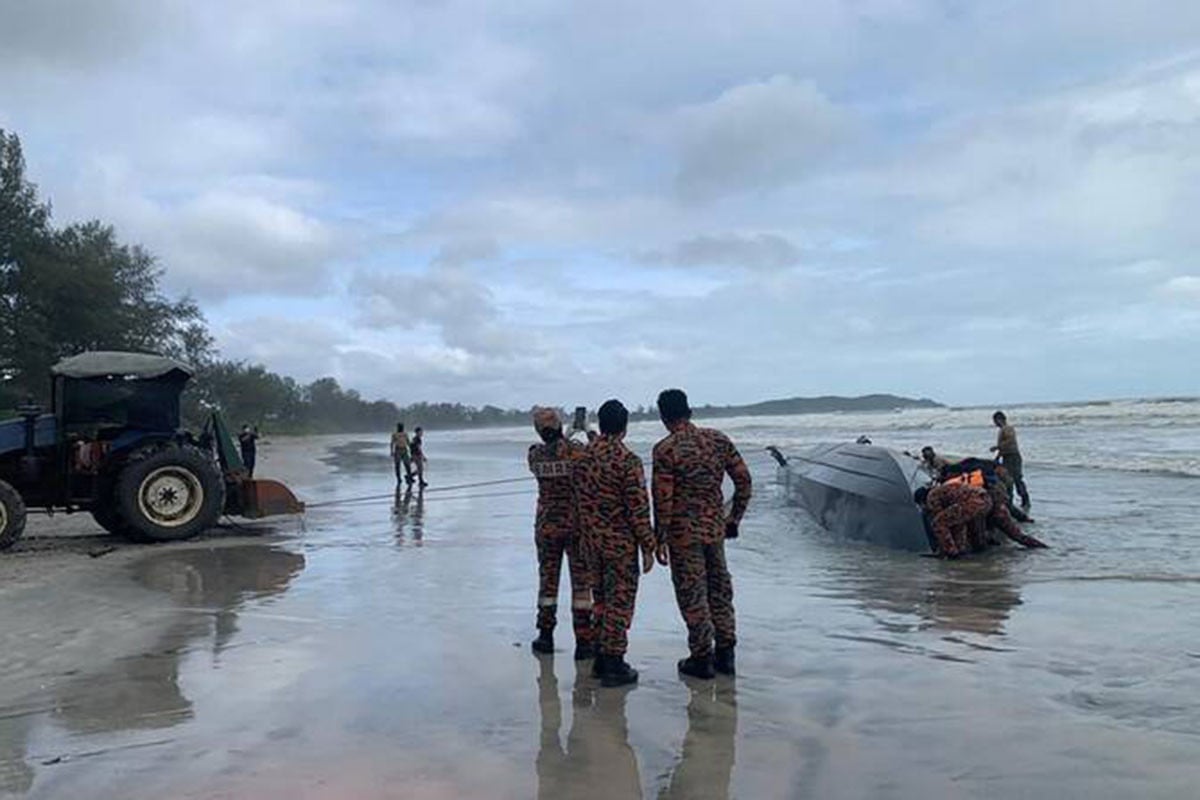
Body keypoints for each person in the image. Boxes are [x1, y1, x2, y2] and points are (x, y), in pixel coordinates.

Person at [652, 388, 752, 680]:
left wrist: (659, 537)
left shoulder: (665, 449)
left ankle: (701, 658)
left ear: (663, 417)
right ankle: (726, 654)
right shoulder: (717, 440)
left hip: (683, 535)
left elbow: (663, 498)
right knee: (720, 589)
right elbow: (744, 481)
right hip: (714, 530)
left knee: (692, 593)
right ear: (690, 411)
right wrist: (734, 518)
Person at [574, 399, 656, 687]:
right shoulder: (627, 460)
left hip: (590, 542)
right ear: (625, 427)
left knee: (601, 600)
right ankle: (613, 662)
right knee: (620, 602)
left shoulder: (581, 458)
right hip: (619, 544)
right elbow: (638, 508)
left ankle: (600, 656)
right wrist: (648, 545)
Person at [528, 407, 595, 661]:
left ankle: (545, 635)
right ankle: (584, 641)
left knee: (548, 583)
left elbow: (553, 451)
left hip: (547, 526)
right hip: (576, 525)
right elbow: (598, 452)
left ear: (538, 431)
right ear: (559, 426)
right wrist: (587, 430)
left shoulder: (534, 455)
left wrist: (565, 435)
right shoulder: (577, 452)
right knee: (581, 583)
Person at [918, 481, 993, 558]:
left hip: (972, 502)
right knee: (957, 521)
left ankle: (951, 552)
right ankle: (961, 549)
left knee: (938, 523)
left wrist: (941, 547)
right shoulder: (941, 489)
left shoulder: (931, 496)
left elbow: (940, 518)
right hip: (986, 500)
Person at [990, 411, 1030, 510]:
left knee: (1016, 479)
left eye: (995, 421)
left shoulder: (1007, 428)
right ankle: (1009, 501)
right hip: (1006, 457)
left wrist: (997, 447)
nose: (994, 423)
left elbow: (1010, 441)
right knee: (1007, 480)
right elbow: (1004, 447)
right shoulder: (1002, 430)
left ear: (999, 419)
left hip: (1013, 457)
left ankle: (1025, 500)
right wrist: (998, 457)